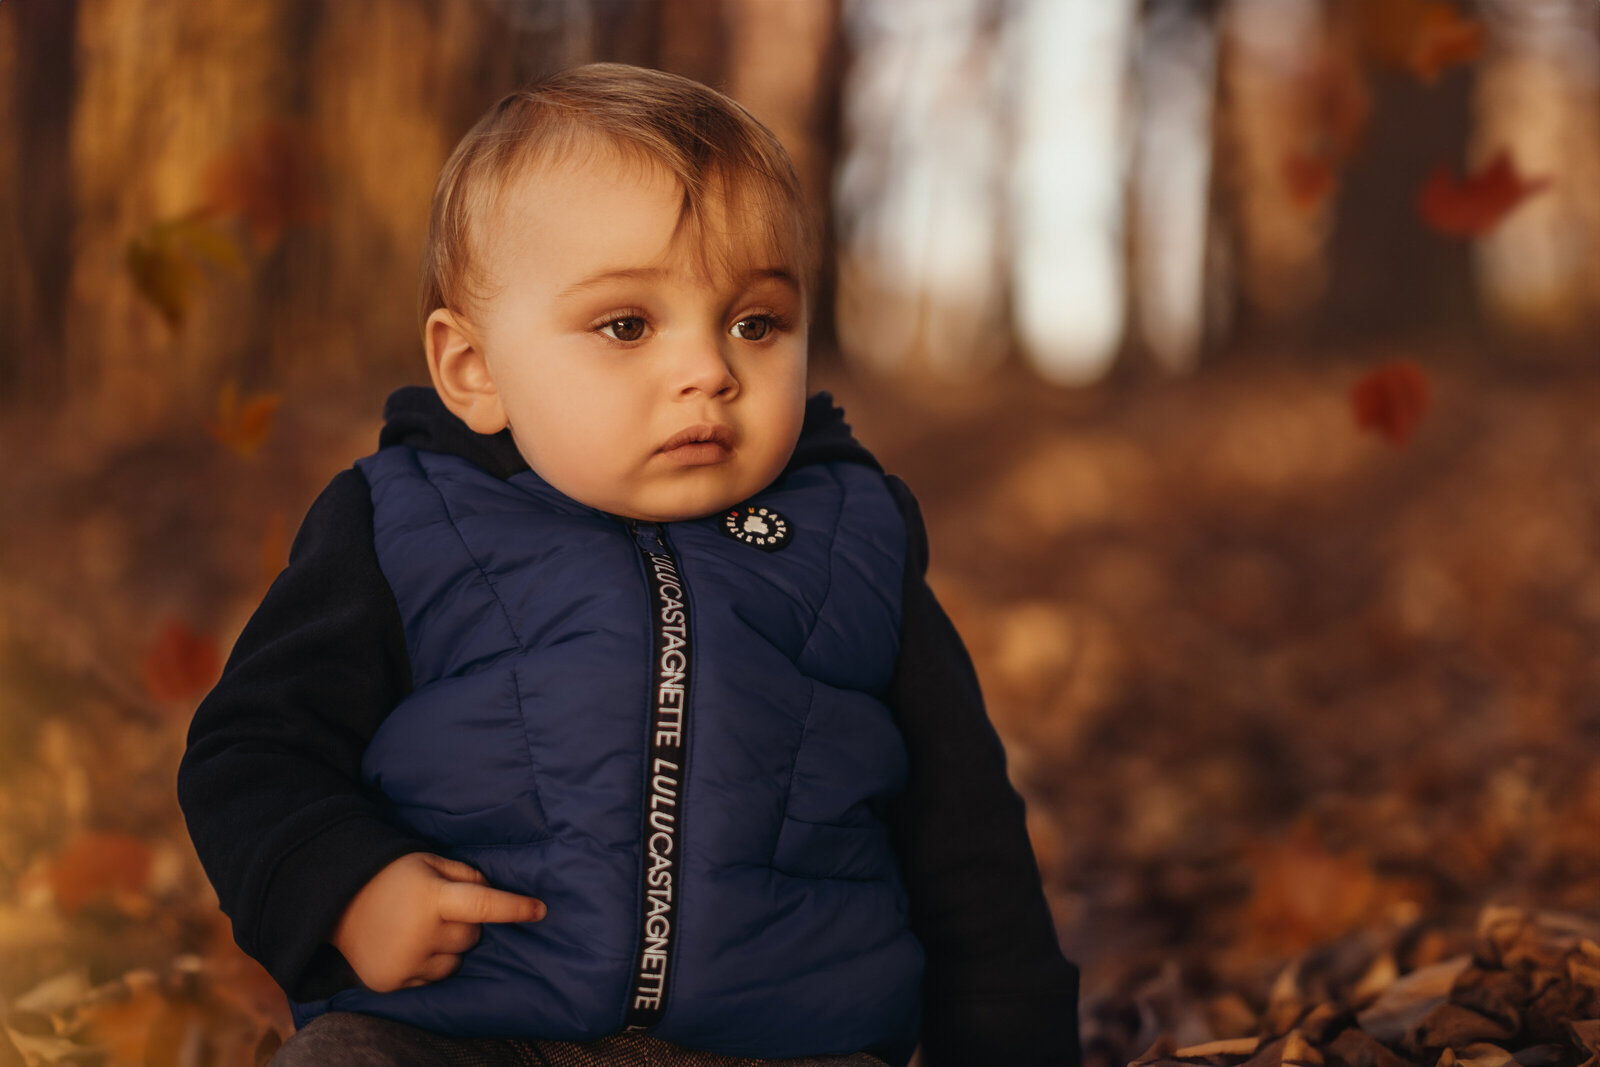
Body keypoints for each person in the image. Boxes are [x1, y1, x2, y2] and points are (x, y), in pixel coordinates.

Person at [178, 63, 1079, 1067]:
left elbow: (968, 840)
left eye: (755, 321)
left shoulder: (849, 542)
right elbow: (251, 749)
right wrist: (344, 886)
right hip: (465, 1036)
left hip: (780, 1047)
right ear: (473, 370)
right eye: (626, 325)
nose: (709, 370)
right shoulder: (402, 527)